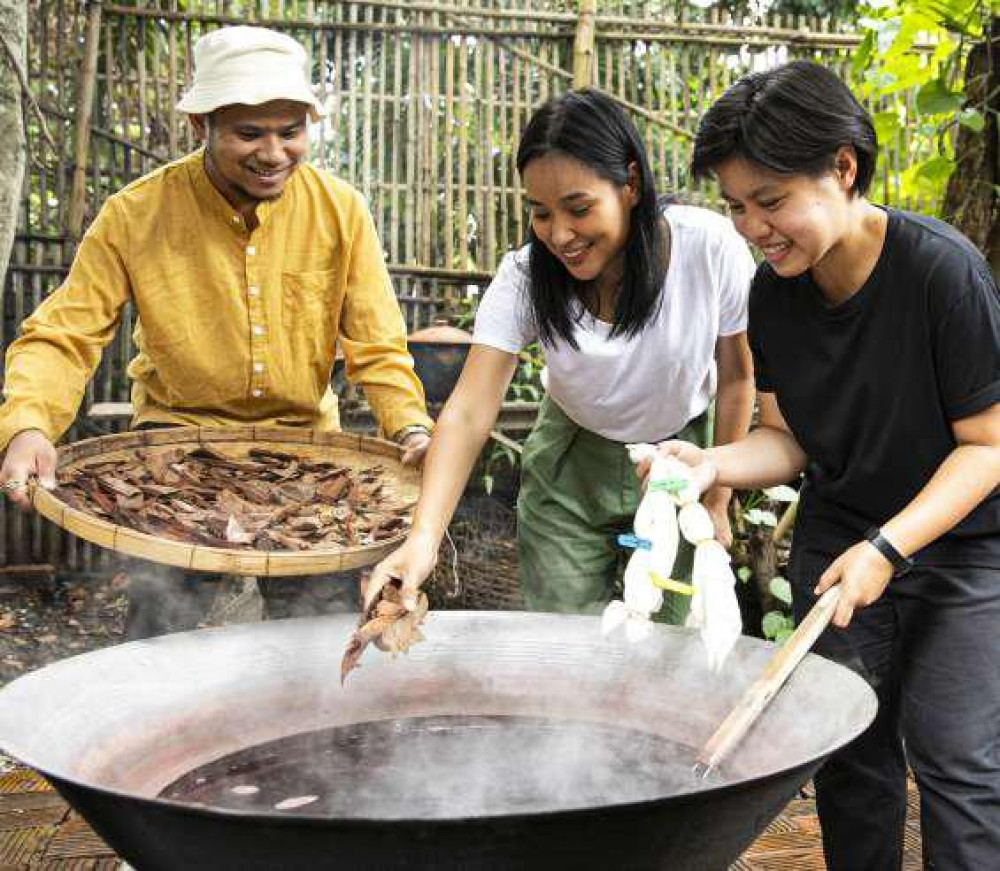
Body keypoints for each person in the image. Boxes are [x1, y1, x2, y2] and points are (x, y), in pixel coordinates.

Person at [661, 60, 1000, 870]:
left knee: (958, 762)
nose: (752, 227)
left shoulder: (941, 273)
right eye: (737, 206)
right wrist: (714, 462)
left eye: (770, 201)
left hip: (959, 548)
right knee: (849, 755)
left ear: (843, 168)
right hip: (841, 537)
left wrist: (890, 548)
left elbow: (987, 445)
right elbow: (787, 440)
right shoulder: (774, 295)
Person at [0, 26, 433, 638]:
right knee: (158, 633)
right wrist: (27, 425)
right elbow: (64, 335)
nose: (273, 153)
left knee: (323, 633)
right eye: (249, 133)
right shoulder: (135, 214)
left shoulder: (341, 211)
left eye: (290, 132)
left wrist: (411, 427)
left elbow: (378, 345)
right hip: (175, 449)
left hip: (304, 449)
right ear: (200, 126)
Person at [368, 89, 755, 621]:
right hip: (571, 463)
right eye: (541, 213)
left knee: (669, 629)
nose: (560, 235)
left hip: (680, 460)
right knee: (563, 630)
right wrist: (423, 540)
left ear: (631, 184)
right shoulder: (525, 278)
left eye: (578, 209)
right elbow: (469, 410)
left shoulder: (709, 248)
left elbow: (736, 379)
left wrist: (718, 497)